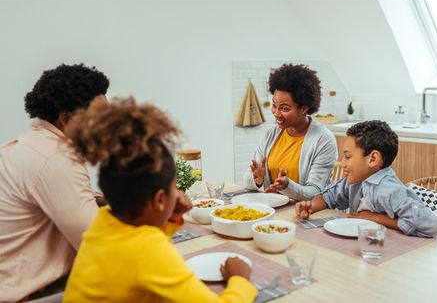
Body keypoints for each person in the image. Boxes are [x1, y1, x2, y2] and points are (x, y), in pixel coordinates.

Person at [63, 97, 257, 302]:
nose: (178, 194)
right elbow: (149, 254)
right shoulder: (147, 250)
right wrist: (239, 279)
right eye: (173, 188)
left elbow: (144, 248)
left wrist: (170, 217)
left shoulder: (104, 223)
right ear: (159, 200)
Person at [0, 64, 110, 301]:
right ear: (67, 118)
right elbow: (100, 248)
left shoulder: (30, 145)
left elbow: (67, 198)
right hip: (30, 296)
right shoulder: (55, 158)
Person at [295, 120, 437, 237]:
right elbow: (330, 196)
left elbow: (431, 226)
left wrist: (375, 218)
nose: (342, 163)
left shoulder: (388, 190)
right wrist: (311, 207)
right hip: (367, 243)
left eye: (348, 156)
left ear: (372, 159)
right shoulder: (357, 179)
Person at [243, 64, 338, 201]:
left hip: (306, 214)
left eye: (285, 109)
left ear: (304, 108)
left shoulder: (323, 139)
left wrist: (287, 186)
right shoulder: (270, 135)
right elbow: (247, 179)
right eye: (274, 106)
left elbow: (316, 192)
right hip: (273, 211)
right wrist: (258, 180)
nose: (276, 113)